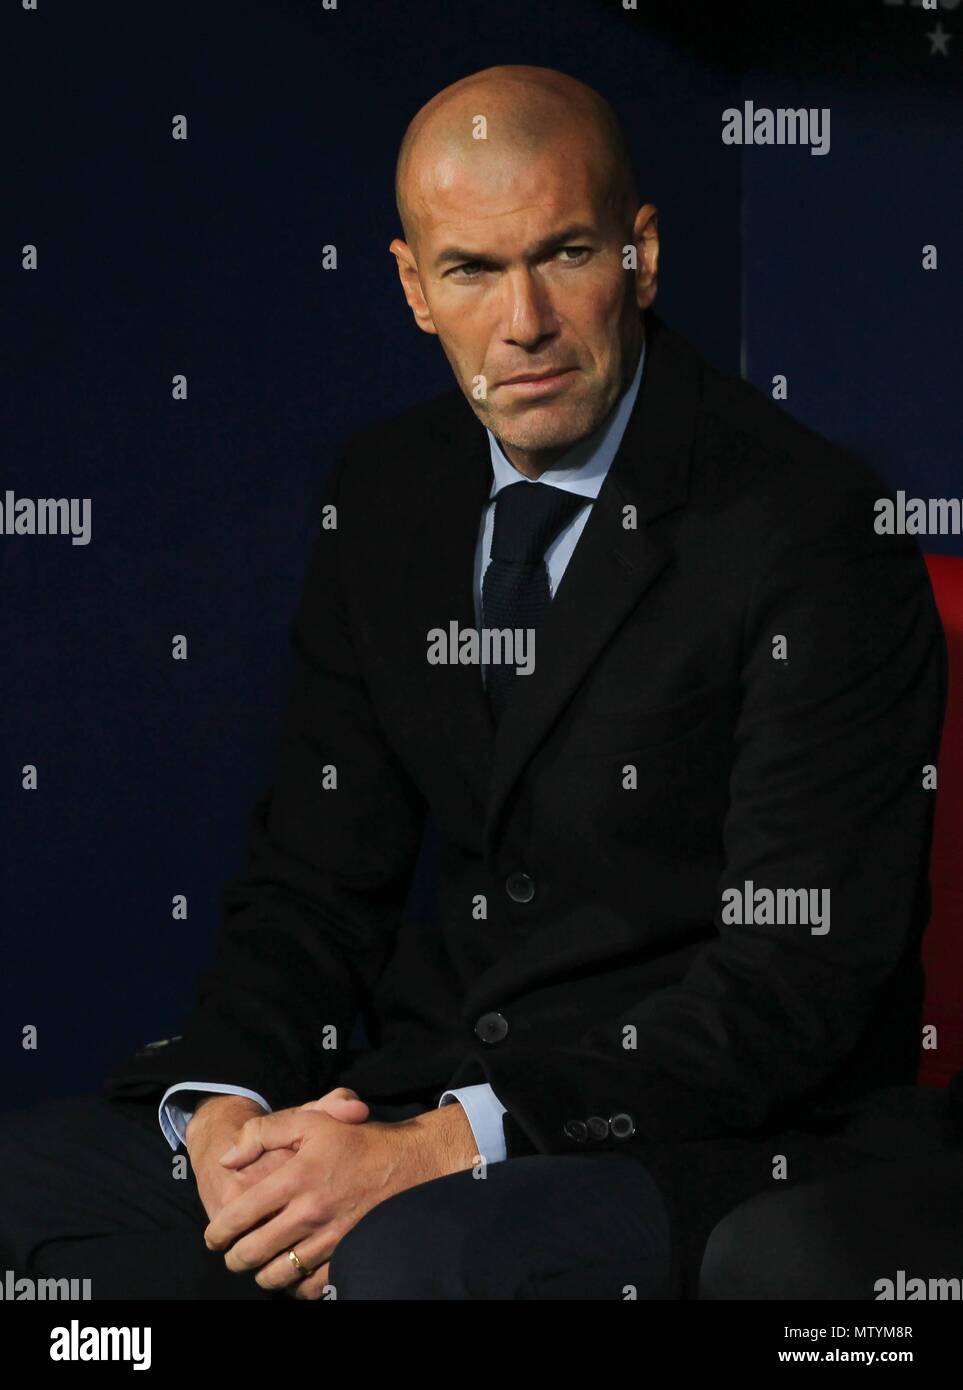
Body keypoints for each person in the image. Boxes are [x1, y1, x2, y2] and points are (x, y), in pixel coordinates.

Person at [0, 64, 954, 1301]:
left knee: (413, 1257)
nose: (524, 323)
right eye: (471, 270)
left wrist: (448, 1144)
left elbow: (792, 984)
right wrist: (227, 1112)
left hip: (718, 1135)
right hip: (415, 1091)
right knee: (32, 1187)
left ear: (641, 256)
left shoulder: (814, 529)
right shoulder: (391, 493)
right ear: (411, 287)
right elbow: (312, 885)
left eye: (564, 254)